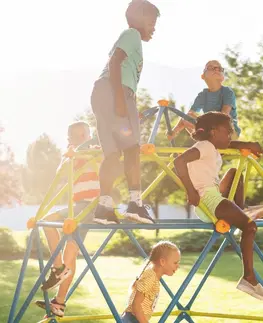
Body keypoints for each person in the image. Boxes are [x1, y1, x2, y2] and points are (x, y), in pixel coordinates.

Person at [174, 111, 263, 300]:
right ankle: (248, 277)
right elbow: (179, 161)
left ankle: (241, 212)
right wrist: (190, 191)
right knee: (250, 226)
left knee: (233, 172)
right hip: (207, 200)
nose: (230, 135)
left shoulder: (210, 146)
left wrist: (247, 145)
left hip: (212, 194)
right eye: (228, 131)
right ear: (213, 132)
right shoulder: (205, 146)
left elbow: (229, 144)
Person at [90, 0, 160, 225]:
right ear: (139, 17)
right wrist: (121, 99)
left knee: (113, 155)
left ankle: (104, 207)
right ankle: (135, 204)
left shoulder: (131, 38)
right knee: (132, 150)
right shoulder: (132, 35)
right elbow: (115, 62)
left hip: (104, 93)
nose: (154, 28)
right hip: (115, 91)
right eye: (152, 22)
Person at [35, 121, 101, 317]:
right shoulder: (71, 157)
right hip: (78, 205)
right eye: (77, 136)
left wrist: (94, 149)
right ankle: (59, 303)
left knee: (49, 220)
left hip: (89, 205)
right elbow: (60, 174)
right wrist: (69, 156)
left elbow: (106, 158)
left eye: (85, 135)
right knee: (70, 252)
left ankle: (57, 268)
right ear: (70, 139)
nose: (83, 139)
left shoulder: (95, 151)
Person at [168, 60, 241, 141]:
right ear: (203, 76)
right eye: (211, 67)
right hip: (210, 129)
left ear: (222, 77)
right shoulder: (203, 95)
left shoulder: (227, 92)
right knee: (188, 116)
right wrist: (174, 131)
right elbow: (187, 117)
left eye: (219, 69)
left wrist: (203, 123)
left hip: (228, 132)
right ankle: (204, 140)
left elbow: (224, 116)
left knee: (219, 122)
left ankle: (205, 139)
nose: (216, 69)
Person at [122, 241, 180, 323]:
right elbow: (136, 305)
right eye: (175, 262)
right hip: (133, 319)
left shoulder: (152, 276)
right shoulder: (150, 278)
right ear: (162, 262)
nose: (178, 266)